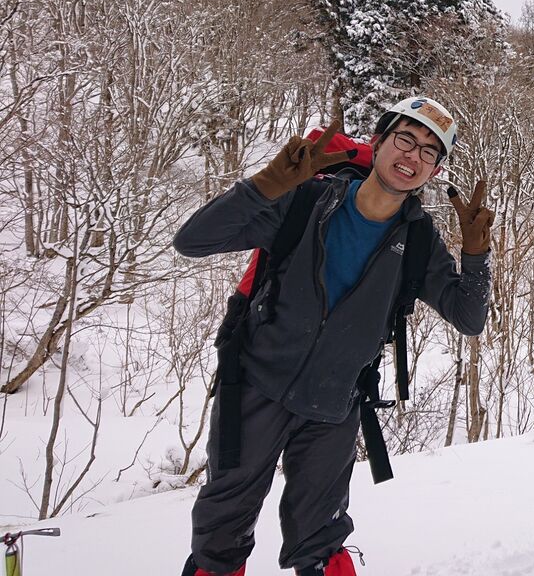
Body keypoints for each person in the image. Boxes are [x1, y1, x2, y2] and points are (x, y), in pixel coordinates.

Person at [173, 95, 492, 576]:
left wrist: (476, 254)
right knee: (221, 534)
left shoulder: (419, 239)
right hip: (256, 386)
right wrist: (264, 187)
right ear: (379, 142)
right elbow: (192, 241)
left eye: (430, 151)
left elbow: (470, 317)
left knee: (320, 540)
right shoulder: (304, 201)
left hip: (334, 405)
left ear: (435, 170)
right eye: (405, 139)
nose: (413, 156)